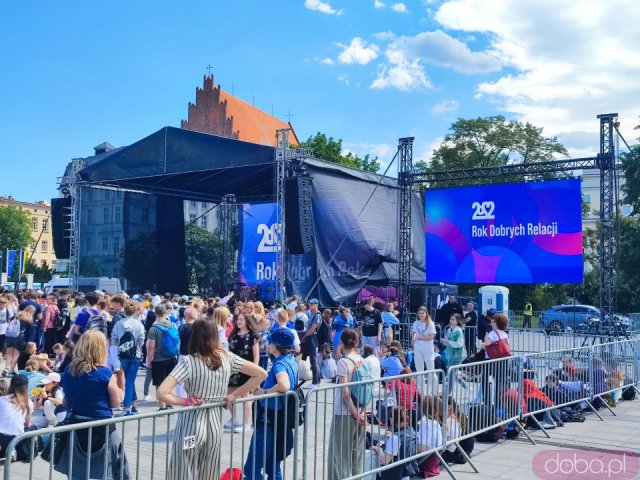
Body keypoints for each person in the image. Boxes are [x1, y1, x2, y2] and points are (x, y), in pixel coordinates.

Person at [157, 319, 266, 480]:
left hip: (191, 423)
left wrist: (185, 401)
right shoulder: (227, 357)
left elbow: (162, 392)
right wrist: (234, 395)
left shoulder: (189, 361)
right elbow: (261, 374)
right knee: (209, 470)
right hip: (215, 424)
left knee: (182, 468)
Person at [58, 329, 129, 479]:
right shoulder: (104, 373)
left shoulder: (69, 370)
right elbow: (116, 403)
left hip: (76, 425)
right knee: (105, 470)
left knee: (77, 471)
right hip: (101, 427)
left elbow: (66, 399)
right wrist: (121, 392)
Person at [244, 328, 299, 480]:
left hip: (269, 422)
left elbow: (284, 385)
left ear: (275, 346)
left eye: (270, 342)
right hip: (280, 422)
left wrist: (264, 392)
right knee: (272, 467)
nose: (267, 345)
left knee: (251, 470)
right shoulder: (290, 361)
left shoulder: (279, 364)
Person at [328, 329, 367, 480]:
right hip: (359, 410)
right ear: (356, 342)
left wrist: (354, 413)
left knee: (338, 455)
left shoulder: (343, 362)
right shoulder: (361, 359)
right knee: (356, 454)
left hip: (345, 413)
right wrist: (361, 412)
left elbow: (345, 393)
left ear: (341, 343)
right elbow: (367, 389)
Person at [225, 313, 260, 432]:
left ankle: (247, 424)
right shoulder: (233, 335)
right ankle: (233, 418)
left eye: (241, 319)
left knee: (245, 397)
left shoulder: (252, 336)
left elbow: (256, 356)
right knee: (230, 394)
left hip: (247, 368)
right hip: (233, 369)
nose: (239, 321)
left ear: (247, 322)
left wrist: (255, 371)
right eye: (238, 319)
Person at [110, 300, 146, 415]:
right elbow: (141, 341)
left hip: (122, 355)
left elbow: (114, 340)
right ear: (135, 310)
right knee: (130, 381)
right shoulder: (139, 324)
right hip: (135, 355)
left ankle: (131, 406)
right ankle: (128, 407)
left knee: (129, 381)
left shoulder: (118, 324)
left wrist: (114, 355)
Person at [146, 304, 179, 410]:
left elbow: (151, 346)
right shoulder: (174, 325)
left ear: (156, 313)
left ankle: (162, 406)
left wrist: (148, 358)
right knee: (170, 382)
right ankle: (170, 403)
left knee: (159, 383)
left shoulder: (154, 328)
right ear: (165, 313)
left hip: (158, 359)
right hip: (172, 357)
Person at [371, 407, 419, 480]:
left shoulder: (395, 438)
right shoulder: (413, 432)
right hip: (407, 473)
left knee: (372, 464)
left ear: (391, 419)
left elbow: (385, 461)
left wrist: (378, 449)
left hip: (394, 475)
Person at [0, 374, 33, 461]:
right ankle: (11, 450)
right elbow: (27, 424)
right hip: (18, 438)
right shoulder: (29, 402)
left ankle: (8, 449)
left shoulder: (3, 399)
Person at [417, 395, 444, 478]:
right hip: (434, 459)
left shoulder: (426, 424)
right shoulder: (436, 422)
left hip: (427, 462)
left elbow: (422, 449)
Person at [412, 306, 436, 391]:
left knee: (430, 369)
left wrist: (420, 337)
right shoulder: (416, 323)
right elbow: (414, 333)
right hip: (418, 348)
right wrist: (414, 338)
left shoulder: (430, 324)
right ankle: (420, 390)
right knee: (419, 369)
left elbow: (431, 336)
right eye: (419, 313)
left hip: (427, 349)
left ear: (426, 313)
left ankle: (433, 389)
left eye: (423, 313)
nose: (421, 315)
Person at [4, 303, 32, 376]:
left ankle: (6, 368)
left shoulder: (17, 315)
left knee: (9, 353)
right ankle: (11, 371)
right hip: (19, 337)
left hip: (10, 335)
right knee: (16, 354)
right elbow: (29, 332)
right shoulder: (28, 319)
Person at [301, 298, 322, 390]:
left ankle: (315, 382)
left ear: (316, 305)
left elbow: (312, 328)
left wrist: (304, 337)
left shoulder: (317, 315)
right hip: (311, 337)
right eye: (309, 304)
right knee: (313, 360)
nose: (310, 305)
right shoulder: (312, 314)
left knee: (313, 360)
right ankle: (317, 381)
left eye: (312, 304)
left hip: (313, 337)